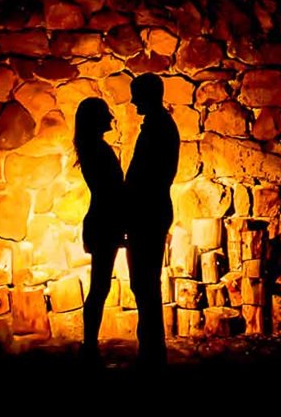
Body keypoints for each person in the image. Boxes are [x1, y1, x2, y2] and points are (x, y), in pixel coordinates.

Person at [124, 74, 179, 367]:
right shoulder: (160, 125)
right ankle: (151, 349)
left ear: (148, 95)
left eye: (136, 95)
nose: (133, 102)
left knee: (144, 281)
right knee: (144, 282)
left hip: (148, 211)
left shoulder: (157, 129)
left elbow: (146, 174)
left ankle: (151, 352)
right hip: (151, 210)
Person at [71, 97, 124, 364]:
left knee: (99, 287)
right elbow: (112, 191)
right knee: (99, 287)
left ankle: (89, 344)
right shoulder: (99, 150)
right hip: (105, 222)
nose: (110, 117)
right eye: (105, 113)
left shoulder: (92, 149)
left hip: (101, 221)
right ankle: (89, 345)